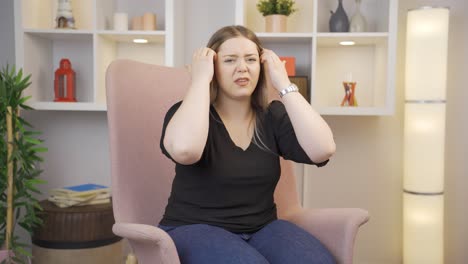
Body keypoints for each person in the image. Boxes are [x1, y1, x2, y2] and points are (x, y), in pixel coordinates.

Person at [159, 25, 336, 264]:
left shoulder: (272, 116)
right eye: (230, 60)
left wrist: (283, 83)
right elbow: (185, 150)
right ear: (213, 68)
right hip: (193, 228)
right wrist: (200, 81)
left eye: (251, 59)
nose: (242, 68)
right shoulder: (187, 113)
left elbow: (322, 149)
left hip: (262, 228)